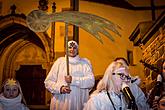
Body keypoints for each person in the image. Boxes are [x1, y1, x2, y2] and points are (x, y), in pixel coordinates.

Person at [44, 40, 95, 110]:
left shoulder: (85, 63)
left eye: (74, 48)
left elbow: (91, 82)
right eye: (70, 47)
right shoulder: (59, 62)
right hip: (61, 103)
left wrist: (73, 80)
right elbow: (48, 82)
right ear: (66, 49)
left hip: (79, 103)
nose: (72, 49)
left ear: (78, 49)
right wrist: (60, 88)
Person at [83, 61, 149, 110]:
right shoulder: (96, 101)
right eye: (122, 75)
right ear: (111, 75)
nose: (126, 80)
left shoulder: (127, 98)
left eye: (127, 77)